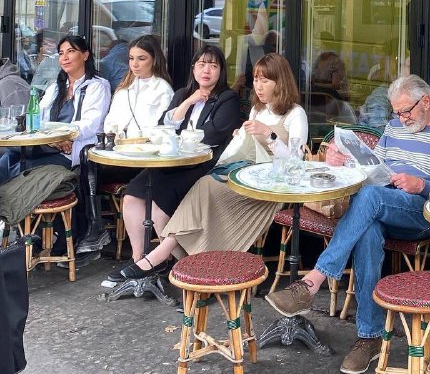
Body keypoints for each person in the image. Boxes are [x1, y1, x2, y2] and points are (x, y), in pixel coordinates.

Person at [265, 75, 430, 374]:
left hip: (420, 215)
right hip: (380, 208)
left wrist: (421, 184)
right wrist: (342, 161)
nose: (400, 118)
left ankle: (313, 281)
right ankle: (369, 338)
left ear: (426, 102)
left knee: (371, 197)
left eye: (405, 111)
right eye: (396, 112)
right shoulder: (393, 128)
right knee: (368, 231)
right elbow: (372, 170)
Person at [103, 53, 306, 285]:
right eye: (256, 80)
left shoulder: (295, 114)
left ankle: (163, 258)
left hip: (270, 188)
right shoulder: (258, 110)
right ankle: (169, 259)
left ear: (281, 82)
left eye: (265, 81)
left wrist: (269, 135)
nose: (258, 87)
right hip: (246, 175)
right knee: (203, 185)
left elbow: (296, 165)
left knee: (205, 186)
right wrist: (241, 137)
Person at [119, 45, 240, 263]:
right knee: (132, 197)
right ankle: (138, 259)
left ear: (221, 71)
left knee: (157, 209)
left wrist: (178, 137)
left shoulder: (227, 98)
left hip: (201, 166)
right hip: (171, 163)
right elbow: (162, 127)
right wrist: (189, 101)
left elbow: (214, 134)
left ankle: (179, 262)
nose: (206, 71)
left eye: (213, 66)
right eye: (202, 65)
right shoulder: (183, 94)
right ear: (193, 68)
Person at [76, 35, 174, 255]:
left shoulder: (162, 89)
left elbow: (162, 128)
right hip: (121, 153)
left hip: (145, 158)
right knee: (85, 158)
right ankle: (94, 225)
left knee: (87, 166)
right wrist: (116, 134)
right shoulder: (124, 88)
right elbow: (110, 121)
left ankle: (95, 227)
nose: (135, 64)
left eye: (141, 58)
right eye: (131, 58)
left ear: (154, 60)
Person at [28, 35, 111, 267]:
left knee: (24, 168)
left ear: (85, 55)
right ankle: (25, 224)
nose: (64, 57)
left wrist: (65, 136)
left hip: (75, 148)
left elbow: (91, 124)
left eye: (71, 51)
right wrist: (54, 139)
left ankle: (57, 234)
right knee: (9, 159)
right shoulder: (56, 87)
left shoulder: (97, 86)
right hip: (51, 146)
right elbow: (39, 120)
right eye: (61, 53)